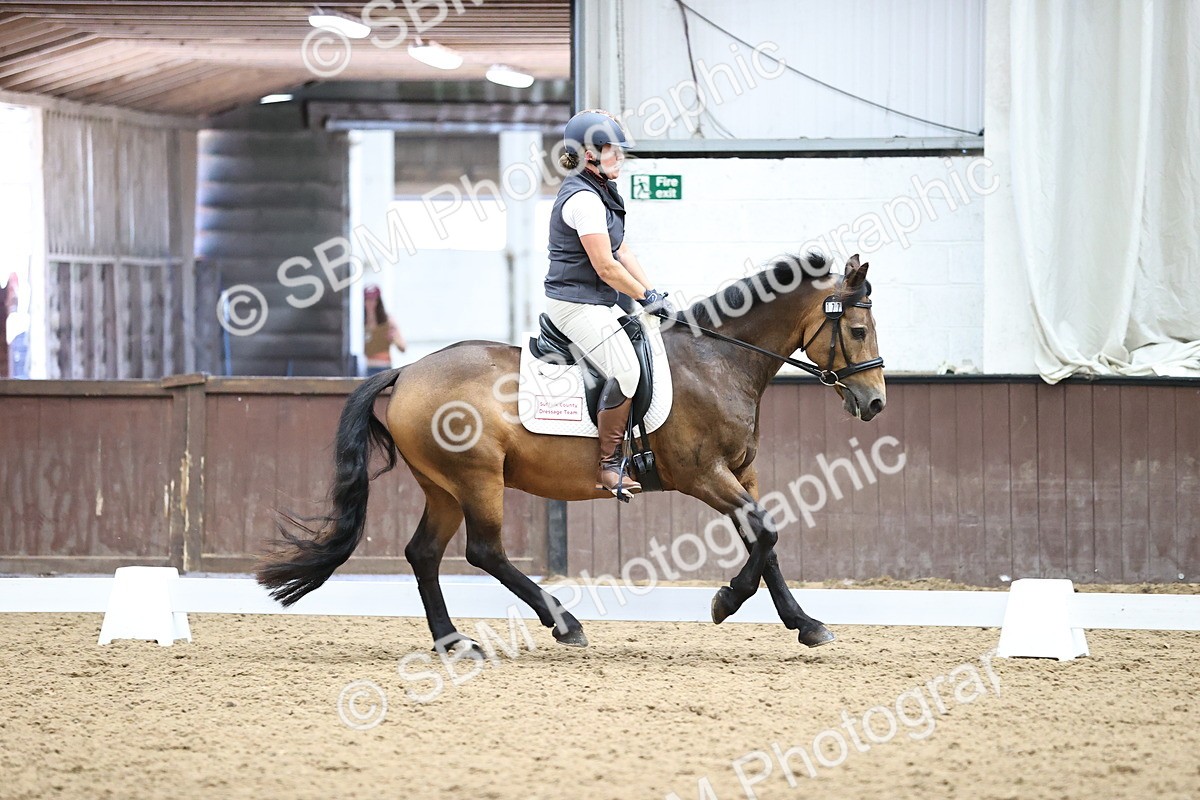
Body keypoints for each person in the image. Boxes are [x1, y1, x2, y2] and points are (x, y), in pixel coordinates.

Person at [544, 109, 675, 498]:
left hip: (599, 302)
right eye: (613, 150)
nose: (620, 157)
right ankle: (609, 465)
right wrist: (643, 296)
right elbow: (605, 266)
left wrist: (654, 294)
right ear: (589, 154)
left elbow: (621, 249)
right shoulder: (583, 200)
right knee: (627, 370)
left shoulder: (603, 191)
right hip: (574, 304)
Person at [364, 285, 406, 376]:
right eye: (367, 300)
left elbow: (403, 347)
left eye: (374, 300)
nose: (371, 303)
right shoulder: (360, 323)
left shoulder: (388, 321)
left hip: (384, 367)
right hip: (368, 367)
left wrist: (394, 337)